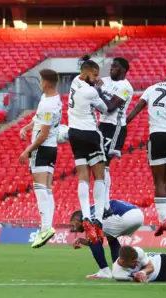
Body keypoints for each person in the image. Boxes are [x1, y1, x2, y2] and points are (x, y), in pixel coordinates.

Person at [126, 71, 166, 237]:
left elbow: (138, 108)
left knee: (158, 181)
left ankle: (163, 218)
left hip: (157, 134)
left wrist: (123, 124)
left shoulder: (152, 88)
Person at [18, 69, 62, 248]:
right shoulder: (52, 99)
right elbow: (38, 119)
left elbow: (43, 134)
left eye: (40, 81)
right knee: (47, 189)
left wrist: (27, 150)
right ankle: (47, 226)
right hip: (52, 149)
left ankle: (45, 228)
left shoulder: (48, 105)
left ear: (44, 82)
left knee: (39, 188)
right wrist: (26, 128)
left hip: (42, 148)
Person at [67, 55, 108, 243]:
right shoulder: (91, 92)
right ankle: (98, 218)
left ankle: (85, 215)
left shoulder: (75, 81)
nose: (97, 77)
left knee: (83, 176)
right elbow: (105, 108)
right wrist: (100, 87)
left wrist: (94, 82)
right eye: (95, 74)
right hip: (90, 133)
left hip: (74, 133)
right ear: (87, 73)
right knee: (100, 177)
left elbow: (88, 78)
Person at [70, 200, 144, 279]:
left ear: (77, 219)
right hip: (138, 215)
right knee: (111, 238)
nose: (74, 228)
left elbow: (96, 240)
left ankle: (104, 271)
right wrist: (81, 240)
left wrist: (82, 240)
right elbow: (97, 242)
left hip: (125, 217)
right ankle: (119, 269)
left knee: (93, 234)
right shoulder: (94, 208)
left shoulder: (87, 215)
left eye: (73, 224)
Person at [97, 58, 133, 214]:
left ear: (124, 70)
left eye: (115, 67)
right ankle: (103, 204)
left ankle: (105, 205)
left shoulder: (126, 87)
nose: (111, 68)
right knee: (99, 163)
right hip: (102, 125)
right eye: (111, 66)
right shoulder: (104, 81)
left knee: (104, 163)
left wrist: (97, 92)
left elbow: (110, 107)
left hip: (115, 127)